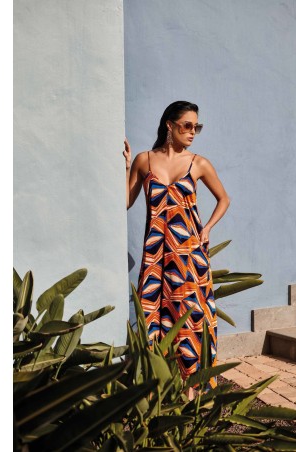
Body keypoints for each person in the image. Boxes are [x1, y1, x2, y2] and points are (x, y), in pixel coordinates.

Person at [123, 100, 230, 397]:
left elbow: (224, 199)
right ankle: (159, 390)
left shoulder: (198, 163)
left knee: (190, 319)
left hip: (189, 256)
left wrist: (207, 229)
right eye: (187, 125)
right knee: (153, 319)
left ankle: (192, 394)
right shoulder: (144, 160)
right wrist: (127, 166)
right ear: (170, 125)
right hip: (156, 256)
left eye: (197, 127)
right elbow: (126, 202)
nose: (193, 132)